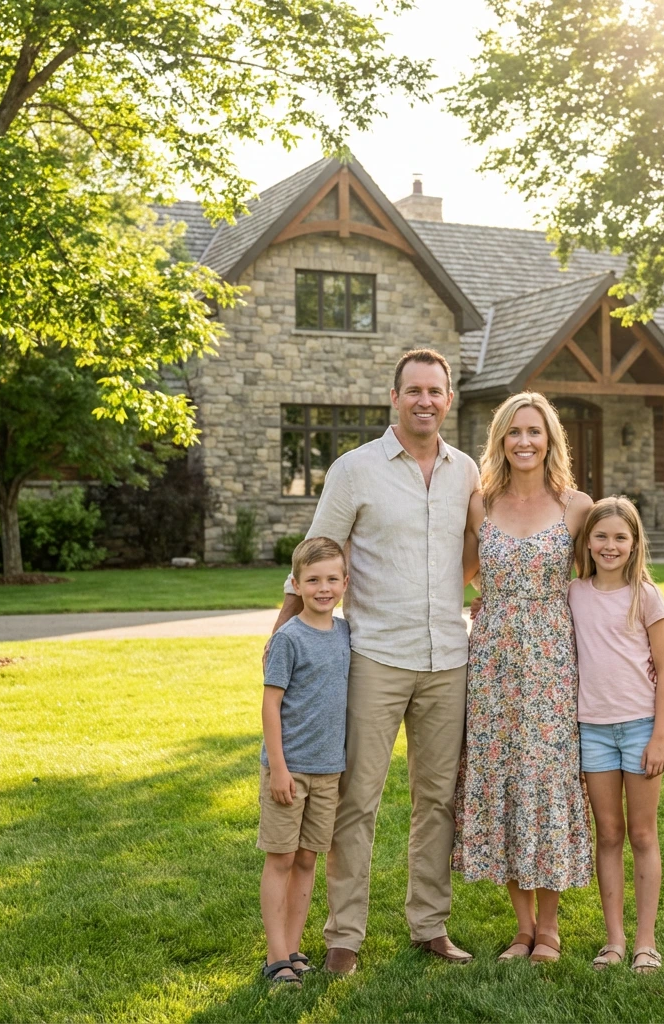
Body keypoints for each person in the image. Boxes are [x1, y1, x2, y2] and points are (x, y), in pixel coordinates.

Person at [268, 349, 480, 975]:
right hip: (374, 657)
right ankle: (344, 936)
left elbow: (475, 552)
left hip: (448, 657)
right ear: (394, 397)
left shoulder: (465, 471)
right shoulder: (354, 470)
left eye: (435, 391)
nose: (425, 400)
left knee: (437, 800)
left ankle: (429, 925)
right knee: (355, 801)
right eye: (413, 390)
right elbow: (315, 552)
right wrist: (280, 634)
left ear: (448, 400)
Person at [452, 391, 594, 964]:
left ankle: (552, 928)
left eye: (535, 431)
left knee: (548, 777)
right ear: (501, 441)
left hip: (553, 664)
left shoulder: (576, 507)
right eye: (515, 432)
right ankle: (521, 927)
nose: (525, 441)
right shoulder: (480, 505)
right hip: (490, 664)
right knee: (504, 775)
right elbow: (459, 572)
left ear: (551, 439)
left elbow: (600, 583)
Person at [567, 496, 664, 974]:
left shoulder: (646, 596)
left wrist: (659, 738)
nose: (610, 546)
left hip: (639, 728)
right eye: (601, 536)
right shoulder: (573, 592)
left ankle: (645, 942)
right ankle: (613, 941)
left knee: (642, 833)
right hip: (591, 729)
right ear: (587, 541)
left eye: (620, 538)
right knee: (607, 834)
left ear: (634, 544)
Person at [258, 536, 351, 987]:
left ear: (345, 583)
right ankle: (276, 957)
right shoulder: (288, 639)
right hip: (290, 770)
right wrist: (278, 767)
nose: (323, 588)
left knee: (308, 859)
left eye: (332, 579)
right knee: (280, 858)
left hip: (328, 769)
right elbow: (270, 705)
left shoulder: (345, 634)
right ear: (295, 584)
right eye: (313, 580)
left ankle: (294, 949)